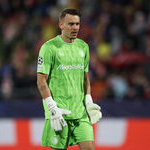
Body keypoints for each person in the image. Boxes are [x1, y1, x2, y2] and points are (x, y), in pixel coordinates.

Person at [37, 8, 102, 150]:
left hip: (80, 114)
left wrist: (89, 101)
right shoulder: (49, 48)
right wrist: (51, 107)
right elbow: (41, 80)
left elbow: (85, 78)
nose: (75, 28)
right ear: (61, 25)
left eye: (77, 24)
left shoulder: (83, 47)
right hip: (59, 113)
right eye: (70, 24)